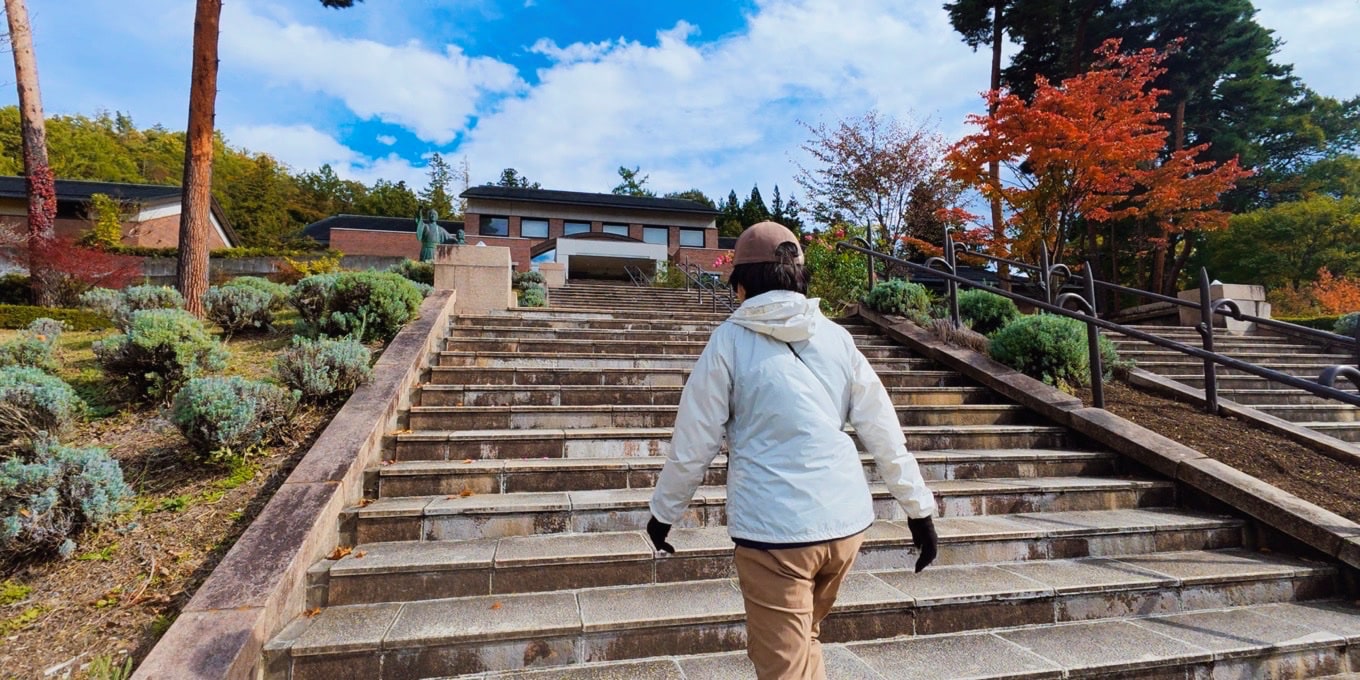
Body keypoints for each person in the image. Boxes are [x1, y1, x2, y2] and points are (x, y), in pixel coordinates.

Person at [646, 221, 938, 680]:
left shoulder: (730, 342)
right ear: (800, 276)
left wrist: (663, 513)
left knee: (783, 667)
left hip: (775, 535)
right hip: (844, 529)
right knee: (806, 639)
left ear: (741, 282)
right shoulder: (838, 338)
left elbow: (694, 441)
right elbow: (882, 427)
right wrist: (918, 510)